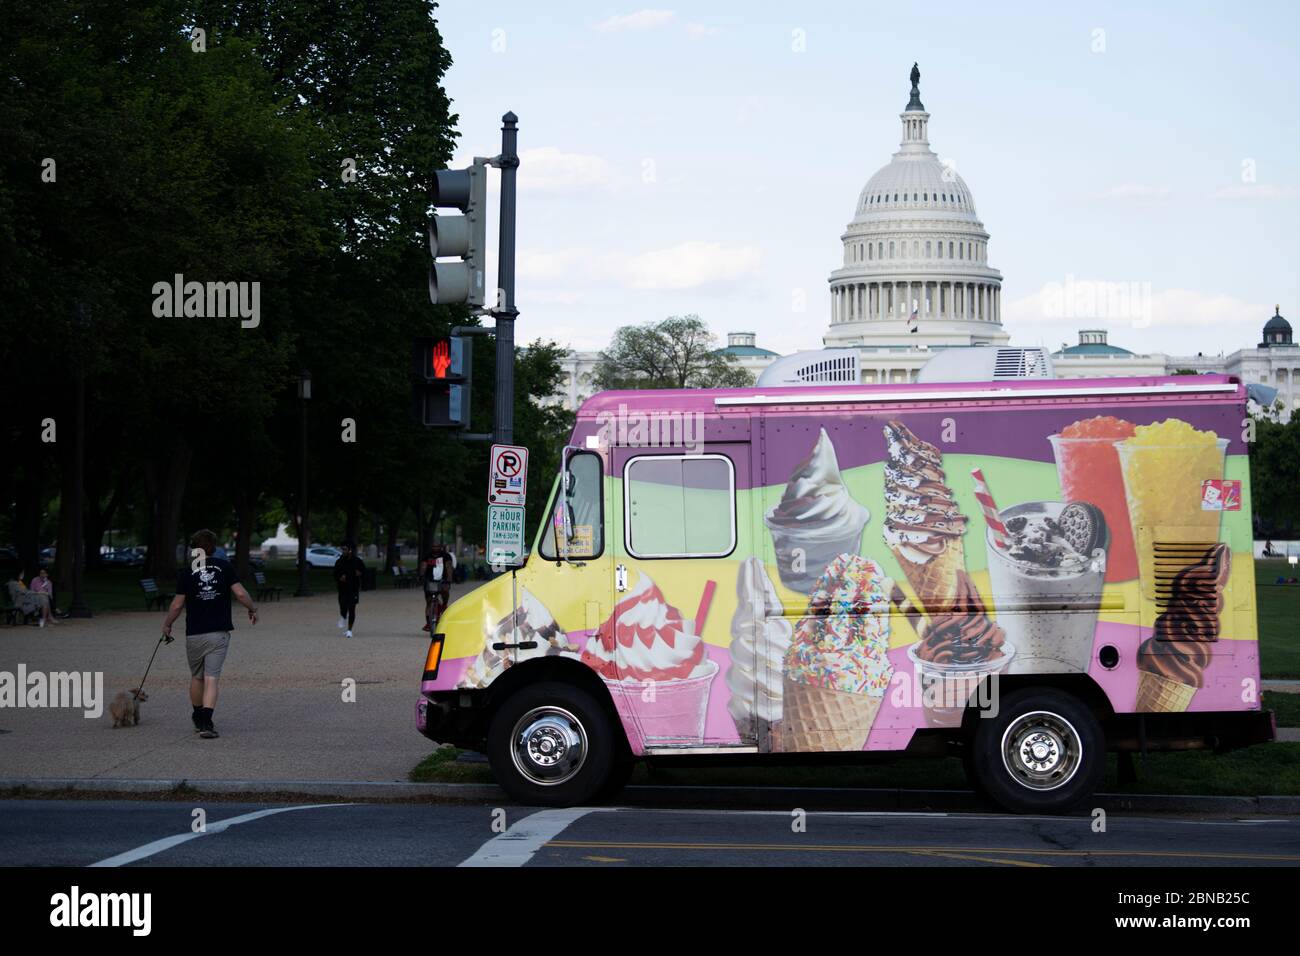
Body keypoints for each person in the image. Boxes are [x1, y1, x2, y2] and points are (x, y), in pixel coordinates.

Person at [162, 529, 258, 739]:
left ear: (193, 549)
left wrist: (168, 624)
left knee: (197, 677)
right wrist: (252, 608)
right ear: (213, 547)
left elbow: (177, 605)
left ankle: (197, 716)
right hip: (218, 632)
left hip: (194, 633)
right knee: (211, 678)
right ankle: (207, 722)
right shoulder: (224, 567)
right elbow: (240, 593)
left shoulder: (187, 572)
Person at [334, 541, 365, 638]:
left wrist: (359, 573)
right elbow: (334, 573)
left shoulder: (357, 561)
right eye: (342, 549)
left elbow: (364, 571)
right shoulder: (339, 561)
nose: (343, 551)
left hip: (353, 588)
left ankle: (349, 630)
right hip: (342, 588)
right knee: (343, 606)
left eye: (345, 549)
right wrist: (340, 577)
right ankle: (343, 616)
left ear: (350, 550)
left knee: (352, 608)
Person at [421, 543, 454, 631]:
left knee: (445, 591)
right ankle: (429, 623)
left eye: (437, 546)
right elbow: (423, 566)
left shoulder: (446, 556)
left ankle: (444, 604)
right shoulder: (427, 556)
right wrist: (421, 575)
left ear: (440, 547)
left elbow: (449, 567)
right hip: (430, 580)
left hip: (442, 580)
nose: (435, 548)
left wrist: (449, 580)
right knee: (428, 602)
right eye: (433, 546)